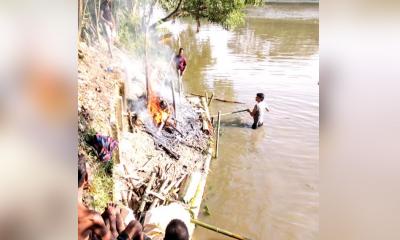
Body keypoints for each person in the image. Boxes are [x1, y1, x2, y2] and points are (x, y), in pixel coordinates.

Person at [78, 154, 144, 240]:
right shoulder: (92, 218)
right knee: (135, 225)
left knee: (109, 217)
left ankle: (113, 216)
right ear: (85, 179)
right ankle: (114, 217)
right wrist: (113, 220)